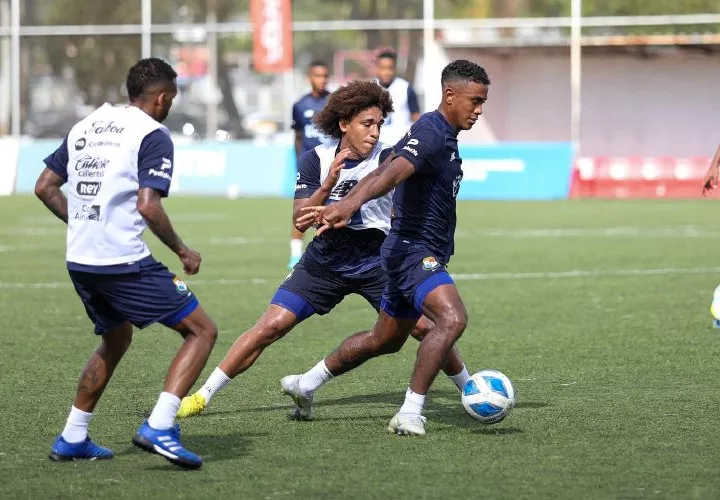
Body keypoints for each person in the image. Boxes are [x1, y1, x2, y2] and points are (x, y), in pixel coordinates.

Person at [177, 80, 471, 420]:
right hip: (326, 259)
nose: (374, 132)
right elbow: (300, 220)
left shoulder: (391, 157)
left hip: (377, 258)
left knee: (423, 327)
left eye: (379, 124)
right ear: (344, 124)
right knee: (270, 326)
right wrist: (329, 184)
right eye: (367, 124)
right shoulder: (314, 159)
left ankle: (470, 389)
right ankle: (201, 396)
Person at [37, 58, 218, 469]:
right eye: (171, 99)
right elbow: (148, 206)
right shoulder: (153, 134)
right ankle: (160, 425)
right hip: (120, 262)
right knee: (202, 330)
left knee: (116, 338)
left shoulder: (86, 125)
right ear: (162, 97)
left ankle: (73, 436)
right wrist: (182, 251)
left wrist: (83, 222)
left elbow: (44, 186)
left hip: (80, 259)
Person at [296, 60, 490, 436]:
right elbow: (390, 173)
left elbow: (383, 166)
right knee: (451, 320)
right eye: (474, 101)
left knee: (383, 339)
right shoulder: (433, 131)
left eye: (483, 102)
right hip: (413, 252)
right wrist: (346, 206)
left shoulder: (438, 134)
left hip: (406, 251)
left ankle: (307, 382)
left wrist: (347, 199)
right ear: (450, 96)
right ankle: (411, 410)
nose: (479, 110)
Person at [288, 60, 331, 270]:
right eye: (317, 76)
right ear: (309, 78)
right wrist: (299, 162)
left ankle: (326, 251)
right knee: (303, 209)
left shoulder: (334, 102)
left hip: (332, 164)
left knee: (329, 209)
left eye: (325, 76)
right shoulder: (299, 105)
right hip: (310, 166)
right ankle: (295, 255)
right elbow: (297, 136)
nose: (321, 80)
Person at [374, 49, 421, 147]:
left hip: (402, 145)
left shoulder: (406, 88)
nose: (386, 72)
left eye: (390, 68)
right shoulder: (370, 88)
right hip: (377, 144)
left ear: (395, 68)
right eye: (383, 68)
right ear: (377, 68)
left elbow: (416, 117)